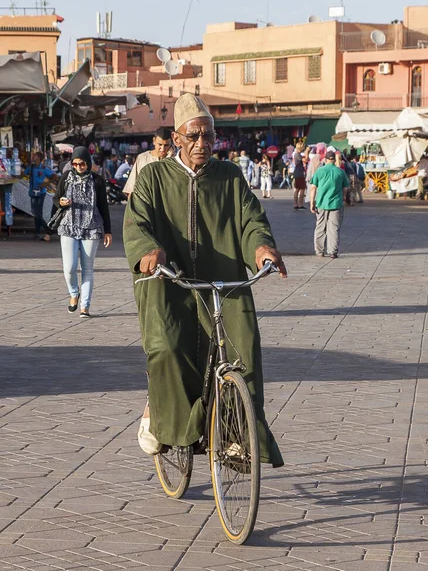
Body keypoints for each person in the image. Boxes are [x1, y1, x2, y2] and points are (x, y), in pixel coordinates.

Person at [123, 93, 287, 467]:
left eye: (209, 136)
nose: (203, 144)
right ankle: (166, 422)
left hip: (224, 281)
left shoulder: (229, 176)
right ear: (176, 139)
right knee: (167, 347)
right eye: (194, 136)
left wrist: (261, 248)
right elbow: (137, 223)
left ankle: (233, 437)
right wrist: (149, 249)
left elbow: (251, 220)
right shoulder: (153, 177)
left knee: (242, 350)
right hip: (169, 280)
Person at [53, 146, 112, 318]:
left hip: (91, 227)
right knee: (69, 268)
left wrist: (108, 230)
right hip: (69, 226)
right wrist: (62, 202)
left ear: (88, 163)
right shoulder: (65, 177)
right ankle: (73, 293)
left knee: (87, 268)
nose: (79, 167)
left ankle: (85, 306)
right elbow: (56, 198)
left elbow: (103, 206)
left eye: (82, 164)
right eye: (76, 164)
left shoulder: (98, 181)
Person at [310, 150, 349, 259]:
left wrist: (312, 202)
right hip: (336, 204)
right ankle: (333, 251)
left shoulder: (319, 171)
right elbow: (345, 188)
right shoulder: (340, 172)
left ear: (326, 160)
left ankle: (319, 251)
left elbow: (313, 187)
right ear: (334, 160)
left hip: (321, 203)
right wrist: (344, 197)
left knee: (320, 227)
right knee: (334, 228)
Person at [123, 127, 172, 197]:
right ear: (154, 141)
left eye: (166, 145)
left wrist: (169, 159)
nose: (163, 149)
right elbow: (131, 189)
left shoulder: (174, 159)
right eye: (160, 145)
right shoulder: (142, 158)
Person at [24, 152, 58, 242]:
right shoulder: (31, 168)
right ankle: (44, 229)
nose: (33, 157)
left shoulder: (44, 168)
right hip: (32, 192)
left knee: (38, 212)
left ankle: (40, 231)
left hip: (41, 193)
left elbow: (55, 177)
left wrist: (45, 184)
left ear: (39, 158)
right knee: (35, 212)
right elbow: (23, 174)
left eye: (34, 156)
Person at [292, 142, 307, 209]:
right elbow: (305, 160)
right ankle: (299, 204)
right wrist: (307, 152)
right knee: (301, 189)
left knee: (298, 189)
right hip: (299, 173)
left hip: (298, 173)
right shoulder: (297, 154)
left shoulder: (297, 154)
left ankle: (296, 204)